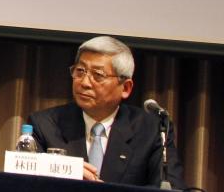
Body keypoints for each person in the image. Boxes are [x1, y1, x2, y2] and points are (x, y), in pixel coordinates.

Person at [27, 36, 185, 187]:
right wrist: (67, 171)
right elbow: (23, 177)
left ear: (126, 88)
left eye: (98, 75)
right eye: (80, 71)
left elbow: (170, 187)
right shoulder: (44, 125)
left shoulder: (151, 130)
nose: (84, 82)